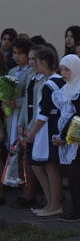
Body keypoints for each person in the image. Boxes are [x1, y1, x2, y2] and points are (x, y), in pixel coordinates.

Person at [52, 55, 80, 221]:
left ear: (76, 70)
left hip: (75, 139)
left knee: (76, 174)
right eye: (62, 70)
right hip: (65, 138)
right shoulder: (65, 90)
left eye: (67, 70)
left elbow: (77, 118)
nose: (63, 73)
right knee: (70, 175)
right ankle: (75, 208)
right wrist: (58, 135)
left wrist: (63, 136)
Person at [27, 49, 64, 217]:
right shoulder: (51, 81)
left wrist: (33, 132)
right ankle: (50, 203)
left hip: (49, 128)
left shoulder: (51, 83)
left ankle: (55, 204)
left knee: (50, 166)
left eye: (36, 60)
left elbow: (45, 112)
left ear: (43, 63)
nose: (33, 64)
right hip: (47, 127)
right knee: (40, 165)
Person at [12, 44, 47, 209]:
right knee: (27, 161)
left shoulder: (46, 79)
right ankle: (27, 194)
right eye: (31, 59)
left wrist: (31, 126)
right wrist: (21, 123)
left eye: (35, 59)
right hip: (28, 123)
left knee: (40, 163)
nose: (32, 62)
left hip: (39, 125)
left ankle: (45, 196)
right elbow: (27, 101)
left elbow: (41, 107)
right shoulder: (31, 76)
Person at [5, 37, 33, 147]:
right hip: (12, 112)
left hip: (23, 112)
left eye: (20, 53)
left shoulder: (31, 71)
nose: (17, 56)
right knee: (11, 142)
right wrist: (6, 101)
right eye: (14, 53)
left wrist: (17, 102)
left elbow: (31, 96)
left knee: (21, 144)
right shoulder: (12, 71)